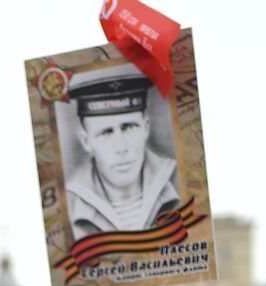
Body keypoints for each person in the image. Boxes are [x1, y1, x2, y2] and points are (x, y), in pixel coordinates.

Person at [63, 66, 180, 239]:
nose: (121, 147)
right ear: (86, 142)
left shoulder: (180, 181)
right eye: (106, 133)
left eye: (129, 127)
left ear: (146, 128)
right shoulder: (68, 204)